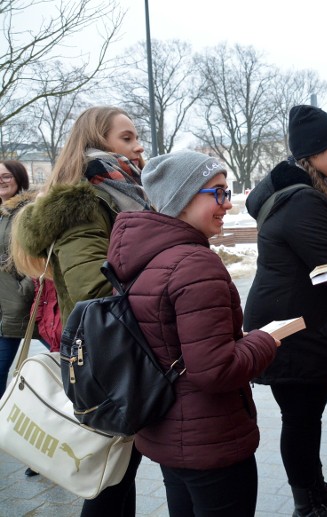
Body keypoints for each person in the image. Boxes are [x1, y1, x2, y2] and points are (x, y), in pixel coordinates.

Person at [106, 150, 280, 516]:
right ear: (182, 198)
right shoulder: (195, 263)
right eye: (217, 192)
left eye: (227, 191)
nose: (228, 204)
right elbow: (215, 369)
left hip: (166, 431)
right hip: (211, 440)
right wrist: (266, 340)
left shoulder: (144, 258)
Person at [11, 106, 148, 516]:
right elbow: (95, 290)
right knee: (107, 477)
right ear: (95, 143)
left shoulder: (120, 194)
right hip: (106, 356)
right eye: (126, 138)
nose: (138, 145)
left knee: (119, 471)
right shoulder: (86, 203)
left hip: (121, 350)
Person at [243, 105, 327, 517]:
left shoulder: (311, 192)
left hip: (299, 321)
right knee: (299, 418)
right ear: (312, 153)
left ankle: (315, 487)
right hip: (294, 328)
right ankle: (304, 504)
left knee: (307, 417)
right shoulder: (303, 201)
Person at [0, 160, 38, 393]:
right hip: (5, 311)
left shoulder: (31, 210)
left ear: (18, 177)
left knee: (65, 361)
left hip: (28, 303)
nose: (1, 181)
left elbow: (42, 254)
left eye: (5, 176)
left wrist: (26, 288)